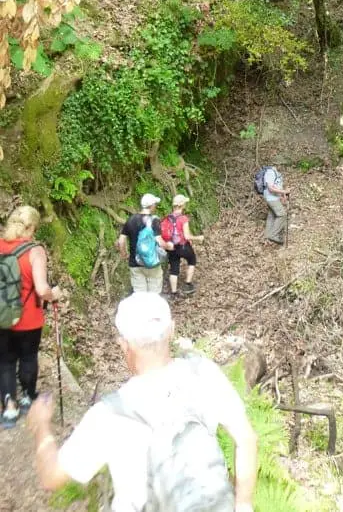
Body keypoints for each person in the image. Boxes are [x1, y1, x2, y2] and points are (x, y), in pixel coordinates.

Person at [28, 293, 258, 512]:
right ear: (171, 330)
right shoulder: (204, 373)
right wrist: (243, 504)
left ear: (123, 344)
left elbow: (52, 477)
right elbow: (246, 438)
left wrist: (41, 427)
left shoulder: (108, 415)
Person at [0, 206, 61, 428]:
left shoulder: (0, 245)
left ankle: (9, 409)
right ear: (32, 227)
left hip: (3, 317)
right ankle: (27, 397)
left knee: (5, 362)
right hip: (29, 318)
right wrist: (54, 294)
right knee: (27, 358)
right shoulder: (35, 251)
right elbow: (42, 288)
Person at [118, 193, 167, 294]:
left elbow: (121, 240)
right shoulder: (154, 220)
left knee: (140, 296)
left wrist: (123, 253)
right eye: (155, 204)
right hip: (152, 263)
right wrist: (169, 246)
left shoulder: (131, 220)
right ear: (152, 205)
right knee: (154, 295)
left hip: (135, 263)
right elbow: (159, 241)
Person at [161, 194, 203, 300]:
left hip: (171, 247)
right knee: (192, 260)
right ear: (182, 205)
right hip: (183, 246)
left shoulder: (168, 218)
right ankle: (188, 284)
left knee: (174, 269)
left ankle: (174, 293)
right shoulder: (183, 219)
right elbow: (187, 236)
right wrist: (198, 238)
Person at [263, 166, 289, 245]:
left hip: (273, 198)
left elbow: (276, 186)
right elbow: (270, 188)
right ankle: (273, 235)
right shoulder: (270, 172)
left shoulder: (276, 173)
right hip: (271, 198)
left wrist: (282, 195)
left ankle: (267, 238)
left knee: (271, 216)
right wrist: (284, 191)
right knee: (282, 215)